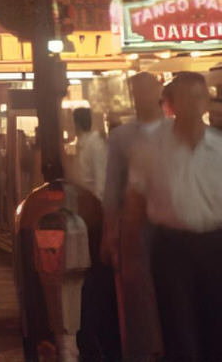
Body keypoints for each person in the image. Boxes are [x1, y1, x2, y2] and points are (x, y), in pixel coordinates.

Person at [124, 71, 222, 362]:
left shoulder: (219, 148)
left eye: (198, 98)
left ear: (206, 102)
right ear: (171, 104)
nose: (192, 105)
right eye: (184, 98)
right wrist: (129, 255)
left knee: (216, 322)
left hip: (216, 245)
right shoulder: (150, 147)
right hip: (170, 246)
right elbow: (134, 201)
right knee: (177, 325)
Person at [102, 72, 164, 362]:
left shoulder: (175, 131)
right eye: (135, 91)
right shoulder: (122, 136)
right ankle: (144, 350)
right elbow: (112, 188)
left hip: (172, 224)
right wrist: (109, 233)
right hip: (136, 226)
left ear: (159, 92)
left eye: (146, 90)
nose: (141, 96)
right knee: (139, 294)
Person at [72, 107, 107, 200]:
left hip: (94, 201)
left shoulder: (95, 142)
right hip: (84, 200)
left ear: (77, 124)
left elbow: (101, 176)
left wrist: (98, 204)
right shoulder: (81, 143)